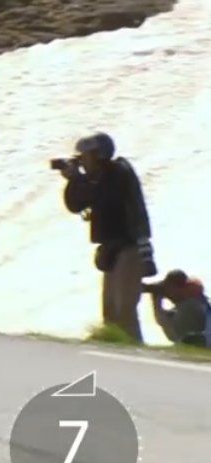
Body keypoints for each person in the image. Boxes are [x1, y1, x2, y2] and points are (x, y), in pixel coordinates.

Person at [58, 132, 156, 343]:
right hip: (112, 249)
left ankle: (136, 352)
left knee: (124, 309)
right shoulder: (99, 179)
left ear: (99, 155)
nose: (82, 161)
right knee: (111, 311)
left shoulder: (119, 172)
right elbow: (76, 204)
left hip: (129, 247)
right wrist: (74, 180)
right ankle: (119, 353)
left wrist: (77, 178)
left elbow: (103, 196)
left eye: (86, 156)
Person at [145, 270, 209, 348]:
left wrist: (156, 304)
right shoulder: (196, 303)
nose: (166, 293)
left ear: (177, 288)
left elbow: (174, 337)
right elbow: (166, 319)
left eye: (168, 288)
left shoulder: (190, 306)